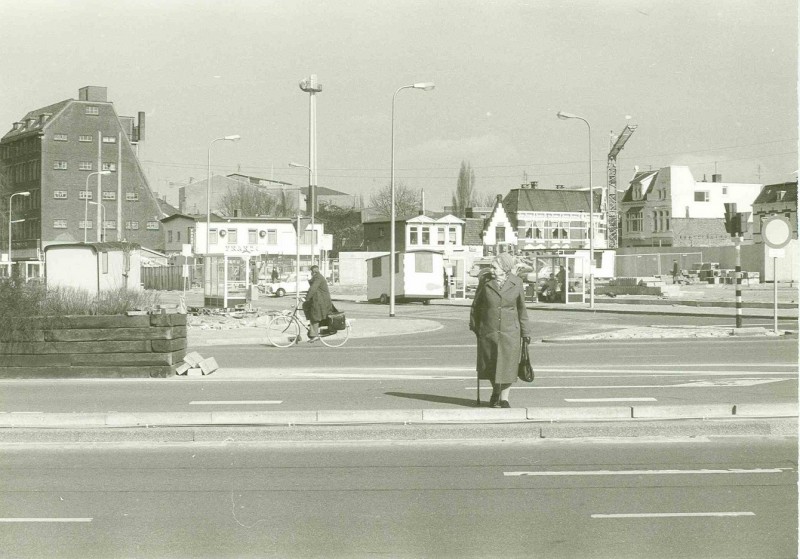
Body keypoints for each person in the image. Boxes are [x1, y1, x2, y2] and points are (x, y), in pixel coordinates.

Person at [469, 252, 531, 408]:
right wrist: (476, 327)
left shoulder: (516, 283)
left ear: (504, 268)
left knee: (508, 366)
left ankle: (504, 399)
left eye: (494, 267)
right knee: (491, 365)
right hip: (489, 331)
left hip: (510, 331)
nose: (492, 270)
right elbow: (476, 306)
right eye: (492, 267)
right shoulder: (486, 283)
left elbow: (521, 309)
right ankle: (495, 391)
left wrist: (526, 332)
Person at [303, 265, 332, 343]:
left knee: (314, 316)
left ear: (314, 271)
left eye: (311, 271)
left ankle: (314, 334)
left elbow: (313, 289)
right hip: (318, 299)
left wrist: (306, 298)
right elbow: (312, 289)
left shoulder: (318, 278)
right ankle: (312, 330)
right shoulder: (316, 277)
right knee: (307, 307)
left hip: (321, 301)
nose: (311, 273)